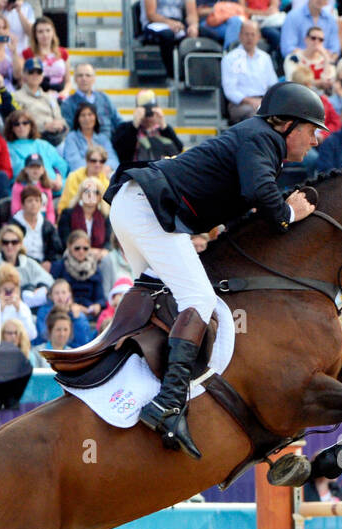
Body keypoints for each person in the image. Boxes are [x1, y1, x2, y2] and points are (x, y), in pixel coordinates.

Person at [99, 82, 323, 455]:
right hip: (149, 209)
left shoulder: (257, 137)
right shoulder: (263, 137)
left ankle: (130, 384)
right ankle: (169, 403)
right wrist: (289, 213)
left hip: (137, 204)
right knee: (200, 300)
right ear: (288, 125)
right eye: (312, 131)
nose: (315, 141)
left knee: (162, 299)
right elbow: (259, 194)